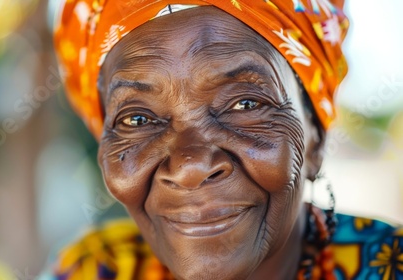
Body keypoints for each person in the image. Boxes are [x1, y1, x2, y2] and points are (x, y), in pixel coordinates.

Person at [46, 0, 403, 279]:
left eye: (245, 103)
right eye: (137, 119)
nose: (190, 166)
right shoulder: (94, 269)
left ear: (315, 139)